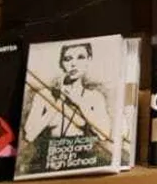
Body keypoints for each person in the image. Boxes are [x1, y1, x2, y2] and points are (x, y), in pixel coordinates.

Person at [21, 41, 113, 169]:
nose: (73, 63)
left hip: (83, 158)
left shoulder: (94, 97)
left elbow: (104, 134)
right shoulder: (45, 95)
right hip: (50, 157)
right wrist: (57, 102)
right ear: (62, 64)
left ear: (89, 60)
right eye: (68, 59)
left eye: (80, 57)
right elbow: (30, 135)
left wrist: (79, 103)